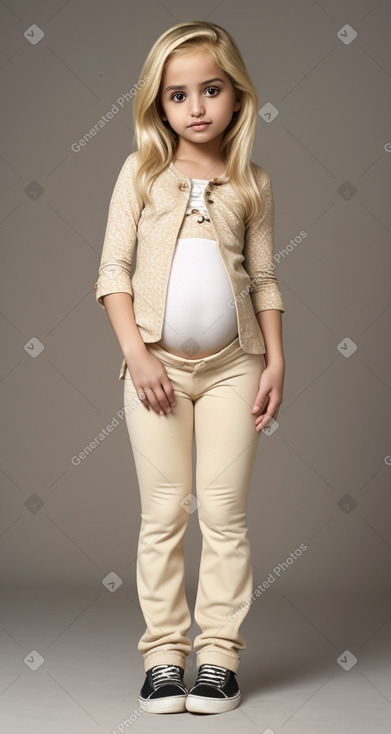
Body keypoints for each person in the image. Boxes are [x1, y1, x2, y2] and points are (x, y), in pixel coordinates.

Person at [94, 20, 285, 715]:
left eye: (211, 90)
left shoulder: (252, 183)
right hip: (158, 371)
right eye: (178, 95)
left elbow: (263, 280)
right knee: (165, 512)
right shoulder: (140, 173)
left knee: (225, 514)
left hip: (236, 367)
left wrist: (275, 361)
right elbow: (113, 270)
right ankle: (165, 655)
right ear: (158, 104)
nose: (196, 107)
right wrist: (137, 356)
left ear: (236, 96)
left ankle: (217, 659)